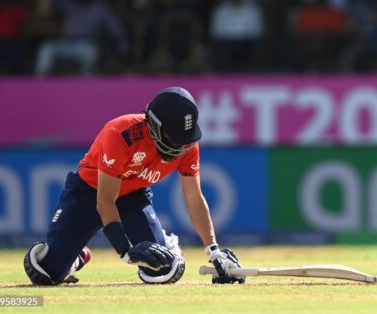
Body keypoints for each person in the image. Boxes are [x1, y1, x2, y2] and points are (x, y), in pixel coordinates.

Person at [24, 87, 245, 286]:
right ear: (155, 126)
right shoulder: (121, 134)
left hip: (133, 197)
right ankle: (77, 255)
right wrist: (126, 252)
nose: (181, 146)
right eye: (174, 137)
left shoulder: (188, 146)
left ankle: (166, 244)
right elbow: (105, 201)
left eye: (185, 138)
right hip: (87, 193)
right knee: (46, 272)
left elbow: (194, 198)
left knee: (166, 270)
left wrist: (214, 251)